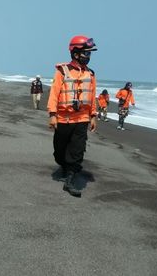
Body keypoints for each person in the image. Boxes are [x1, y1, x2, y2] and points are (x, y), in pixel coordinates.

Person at [47, 35, 98, 197]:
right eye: (86, 53)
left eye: (89, 54)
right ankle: (64, 165)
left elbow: (92, 96)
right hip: (63, 119)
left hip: (81, 119)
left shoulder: (91, 74)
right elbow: (54, 93)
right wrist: (52, 114)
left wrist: (93, 115)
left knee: (77, 151)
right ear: (75, 53)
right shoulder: (62, 71)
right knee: (59, 151)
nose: (88, 57)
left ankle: (70, 178)